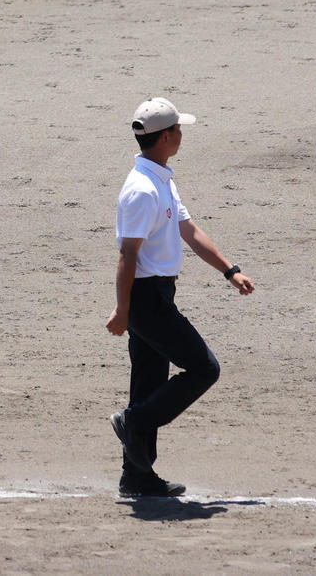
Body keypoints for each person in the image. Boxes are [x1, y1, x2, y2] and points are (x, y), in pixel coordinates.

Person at [108, 97, 255, 497]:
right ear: (166, 136)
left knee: (150, 385)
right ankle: (134, 422)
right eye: (179, 129)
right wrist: (124, 310)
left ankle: (136, 476)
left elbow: (189, 231)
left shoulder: (161, 180)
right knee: (204, 368)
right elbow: (128, 255)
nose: (182, 135)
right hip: (145, 299)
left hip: (157, 295)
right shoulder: (142, 191)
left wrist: (230, 270)